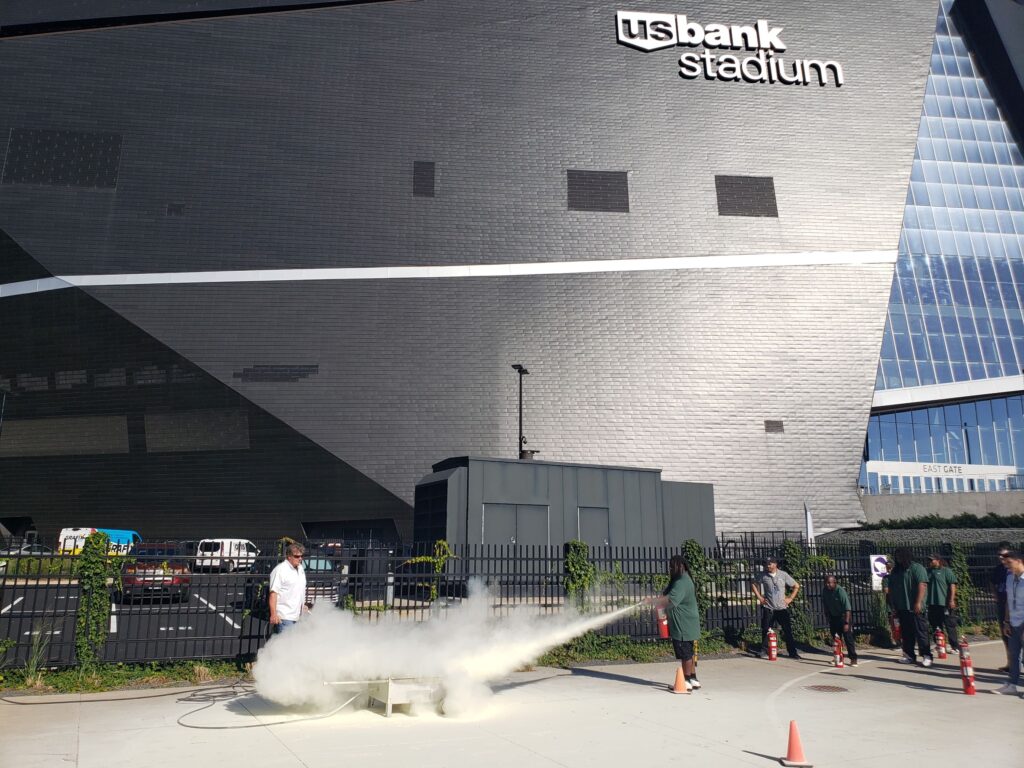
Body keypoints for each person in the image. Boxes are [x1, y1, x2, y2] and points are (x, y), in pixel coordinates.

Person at [646, 555, 702, 692]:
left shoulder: (682, 582)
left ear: (680, 566)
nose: (670, 569)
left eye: (672, 566)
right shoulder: (682, 579)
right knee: (688, 652)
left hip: (683, 624)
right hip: (687, 623)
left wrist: (652, 602)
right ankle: (693, 679)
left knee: (685, 653)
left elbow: (670, 601)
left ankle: (686, 681)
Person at [888, 548, 931, 667]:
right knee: (906, 633)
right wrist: (893, 605)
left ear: (906, 556)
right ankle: (909, 655)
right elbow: (891, 589)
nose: (898, 558)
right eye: (896, 556)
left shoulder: (917, 568)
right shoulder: (896, 571)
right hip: (902, 607)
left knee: (921, 632)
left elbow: (922, 585)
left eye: (900, 555)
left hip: (915, 607)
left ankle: (926, 655)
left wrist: (918, 602)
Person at [751, 556, 801, 660]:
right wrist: (760, 597)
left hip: (782, 608)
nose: (767, 566)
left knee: (787, 630)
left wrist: (790, 598)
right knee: (766, 629)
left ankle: (792, 652)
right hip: (769, 608)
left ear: (775, 564)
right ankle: (764, 651)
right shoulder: (763, 575)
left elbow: (796, 586)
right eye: (766, 564)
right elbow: (754, 584)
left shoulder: (783, 575)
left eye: (769, 564)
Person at [992, 550, 1024, 696]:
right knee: (1013, 654)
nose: (1007, 567)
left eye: (1009, 563)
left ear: (1019, 561)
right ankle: (1012, 684)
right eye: (1005, 564)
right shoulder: (1010, 578)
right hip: (1013, 622)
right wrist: (1006, 621)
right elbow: (1008, 602)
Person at [925, 553, 959, 652]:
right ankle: (939, 644)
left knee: (949, 624)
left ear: (938, 560)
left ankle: (955, 646)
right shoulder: (928, 572)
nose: (929, 562)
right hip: (932, 602)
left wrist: (951, 600)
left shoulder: (946, 571)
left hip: (944, 602)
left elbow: (952, 586)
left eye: (931, 560)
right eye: (929, 560)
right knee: (935, 624)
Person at [269, 543, 307, 632]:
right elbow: (273, 593)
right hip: (284, 617)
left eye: (301, 556)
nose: (300, 559)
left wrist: (302, 605)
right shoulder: (280, 570)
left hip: (297, 616)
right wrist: (273, 614)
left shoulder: (300, 568)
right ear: (289, 556)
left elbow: (298, 589)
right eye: (297, 556)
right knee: (287, 645)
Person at [822, 575, 858, 667]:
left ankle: (853, 658)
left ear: (835, 582)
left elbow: (847, 608)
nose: (828, 585)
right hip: (834, 617)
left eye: (830, 583)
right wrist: (827, 616)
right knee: (836, 639)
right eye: (826, 582)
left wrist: (846, 623)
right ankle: (837, 657)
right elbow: (825, 604)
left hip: (844, 617)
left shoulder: (840, 591)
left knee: (848, 638)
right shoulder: (825, 591)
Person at [989, 542, 1012, 672]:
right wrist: (995, 595)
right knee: (1005, 634)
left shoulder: (1015, 568)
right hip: (1003, 605)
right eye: (999, 555)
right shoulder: (998, 569)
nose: (1001, 558)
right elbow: (992, 582)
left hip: (1016, 606)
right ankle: (1010, 663)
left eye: (1004, 555)